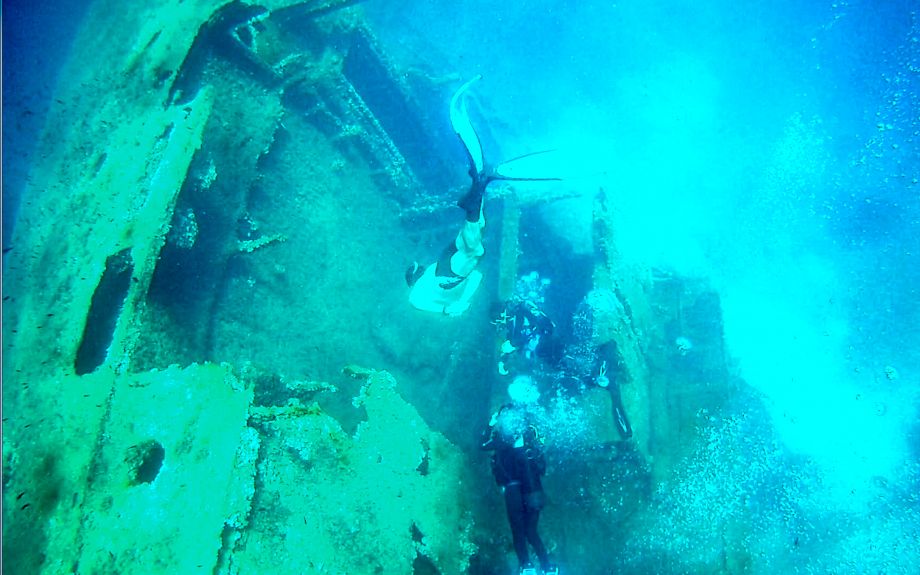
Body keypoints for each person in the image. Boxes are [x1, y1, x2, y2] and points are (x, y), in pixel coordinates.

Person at [406, 76, 560, 316]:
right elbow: (476, 277)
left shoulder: (419, 295)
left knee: (472, 247)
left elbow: (442, 299)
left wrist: (454, 309)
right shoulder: (429, 285)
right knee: (474, 243)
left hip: (451, 270)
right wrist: (461, 302)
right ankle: (477, 193)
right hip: (453, 270)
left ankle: (478, 189)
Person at [482, 401, 559, 575]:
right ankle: (548, 567)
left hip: (513, 489)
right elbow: (542, 466)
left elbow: (482, 444)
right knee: (531, 531)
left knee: (518, 530)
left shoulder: (501, 440)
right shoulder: (529, 437)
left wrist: (490, 424)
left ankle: (526, 565)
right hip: (534, 489)